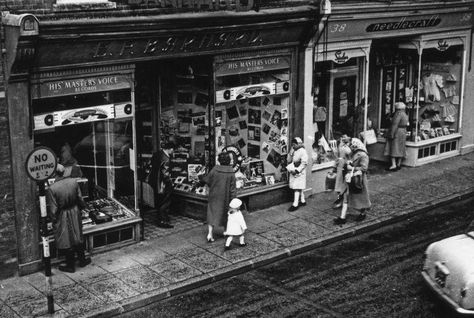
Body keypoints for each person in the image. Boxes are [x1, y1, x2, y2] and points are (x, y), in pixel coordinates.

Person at [47, 164, 90, 273]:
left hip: (63, 214)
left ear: (54, 173)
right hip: (74, 211)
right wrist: (82, 209)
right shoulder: (73, 182)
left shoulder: (52, 188)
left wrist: (53, 221)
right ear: (64, 172)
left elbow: (53, 209)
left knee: (66, 238)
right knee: (77, 235)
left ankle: (70, 265)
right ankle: (82, 260)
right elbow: (80, 198)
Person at [199, 152, 237, 242]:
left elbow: (207, 180)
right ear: (228, 161)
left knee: (212, 214)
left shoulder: (215, 169)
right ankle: (225, 231)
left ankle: (210, 234)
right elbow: (233, 188)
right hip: (225, 197)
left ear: (219, 160)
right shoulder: (231, 172)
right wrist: (233, 199)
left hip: (214, 195)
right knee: (226, 213)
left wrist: (201, 176)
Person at [334, 138, 371, 225]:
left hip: (358, 179)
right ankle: (342, 217)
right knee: (346, 197)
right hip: (350, 178)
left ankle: (363, 212)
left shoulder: (363, 155)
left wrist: (352, 168)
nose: (351, 147)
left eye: (352, 145)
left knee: (360, 198)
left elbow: (364, 168)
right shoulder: (354, 154)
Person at [149, 142, 175, 228]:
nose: (173, 151)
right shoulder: (166, 158)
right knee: (165, 201)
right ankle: (163, 221)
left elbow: (151, 165)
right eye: (173, 149)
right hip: (162, 184)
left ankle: (160, 218)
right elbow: (165, 173)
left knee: (159, 201)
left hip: (155, 182)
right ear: (170, 148)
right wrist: (171, 183)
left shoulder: (157, 154)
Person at [384, 102, 409, 171]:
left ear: (397, 108)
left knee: (394, 147)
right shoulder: (405, 114)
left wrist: (391, 134)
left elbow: (394, 124)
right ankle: (398, 164)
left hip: (397, 132)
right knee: (401, 147)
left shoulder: (398, 114)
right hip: (403, 131)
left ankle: (393, 165)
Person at [287, 137, 309, 212]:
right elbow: (288, 160)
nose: (293, 146)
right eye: (292, 145)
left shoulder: (303, 151)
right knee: (299, 186)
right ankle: (302, 200)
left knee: (297, 187)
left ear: (298, 144)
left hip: (300, 171)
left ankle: (295, 204)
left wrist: (297, 170)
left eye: (294, 145)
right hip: (293, 169)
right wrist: (291, 152)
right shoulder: (294, 150)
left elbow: (304, 163)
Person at [332, 134, 352, 209]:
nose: (343, 139)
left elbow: (350, 157)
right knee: (338, 184)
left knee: (345, 185)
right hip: (340, 166)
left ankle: (344, 201)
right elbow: (338, 157)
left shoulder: (349, 146)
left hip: (346, 167)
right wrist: (334, 165)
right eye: (342, 137)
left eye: (345, 137)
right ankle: (339, 199)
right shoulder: (340, 146)